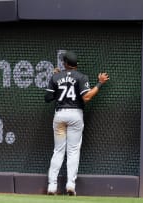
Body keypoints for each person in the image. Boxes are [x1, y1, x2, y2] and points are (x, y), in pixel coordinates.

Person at [44, 51, 109, 195]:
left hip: (60, 115)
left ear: (65, 63)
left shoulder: (56, 76)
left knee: (58, 151)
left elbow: (47, 97)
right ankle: (70, 185)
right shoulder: (81, 77)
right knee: (73, 151)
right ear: (76, 65)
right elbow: (87, 97)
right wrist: (100, 83)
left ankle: (52, 186)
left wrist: (55, 78)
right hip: (75, 115)